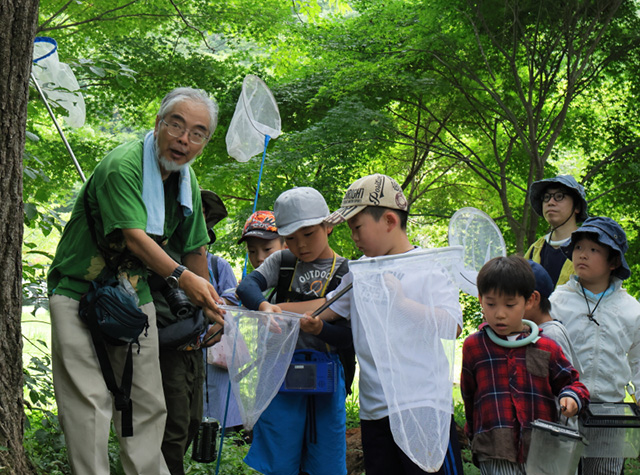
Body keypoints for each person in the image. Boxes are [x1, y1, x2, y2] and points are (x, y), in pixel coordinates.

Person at [47, 87, 224, 474]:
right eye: (176, 124)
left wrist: (209, 304)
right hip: (79, 292)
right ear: (158, 124)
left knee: (147, 404)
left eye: (197, 132)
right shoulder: (123, 165)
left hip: (134, 295)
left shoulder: (186, 183)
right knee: (89, 404)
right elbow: (134, 237)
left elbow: (195, 248)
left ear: (204, 142)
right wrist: (181, 278)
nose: (183, 139)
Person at [284, 174, 464, 475]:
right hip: (375, 411)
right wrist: (270, 309)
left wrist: (404, 304)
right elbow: (324, 307)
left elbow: (452, 326)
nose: (354, 237)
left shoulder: (429, 268)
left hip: (422, 407)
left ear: (390, 221)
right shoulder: (360, 272)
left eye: (357, 228)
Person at [236, 186, 350, 475]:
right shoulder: (282, 261)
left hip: (326, 377)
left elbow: (349, 337)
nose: (301, 245)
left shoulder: (347, 273)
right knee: (279, 458)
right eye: (290, 238)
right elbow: (246, 287)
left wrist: (321, 328)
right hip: (278, 372)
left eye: (309, 234)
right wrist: (263, 306)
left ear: (329, 226)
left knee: (325, 458)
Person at [461, 255, 589, 474]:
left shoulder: (546, 346)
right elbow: (469, 396)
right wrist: (474, 436)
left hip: (541, 451)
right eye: (491, 304)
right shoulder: (474, 346)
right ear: (481, 299)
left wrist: (571, 398)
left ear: (529, 301)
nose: (500, 314)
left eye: (510, 305)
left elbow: (573, 384)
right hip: (494, 449)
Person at [550, 216, 640, 475]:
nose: (583, 255)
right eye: (578, 248)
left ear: (613, 261)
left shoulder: (631, 309)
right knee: (559, 470)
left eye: (593, 249)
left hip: (610, 411)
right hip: (563, 406)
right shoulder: (558, 301)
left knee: (605, 471)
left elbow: (638, 357)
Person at [156, 189, 235, 474]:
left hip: (195, 349)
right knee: (173, 427)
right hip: (167, 351)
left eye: (203, 220)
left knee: (191, 420)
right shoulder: (158, 256)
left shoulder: (208, 262)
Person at [524, 174, 588, 287]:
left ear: (577, 206)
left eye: (559, 196)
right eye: (546, 197)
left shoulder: (590, 249)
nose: (551, 202)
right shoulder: (535, 250)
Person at [524, 260, 579, 366]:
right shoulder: (528, 330)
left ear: (533, 299)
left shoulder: (552, 335)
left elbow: (565, 380)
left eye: (510, 303)